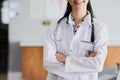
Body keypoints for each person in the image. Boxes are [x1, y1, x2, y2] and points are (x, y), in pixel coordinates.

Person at [44, 0, 109, 80]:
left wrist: (65, 59)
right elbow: (48, 62)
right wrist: (85, 67)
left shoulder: (99, 28)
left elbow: (97, 64)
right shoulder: (55, 27)